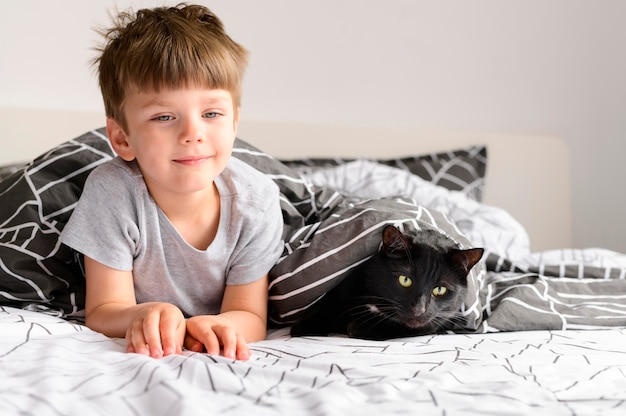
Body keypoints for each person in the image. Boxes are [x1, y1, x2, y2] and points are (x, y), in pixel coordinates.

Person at [60, 4, 284, 361]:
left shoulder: (256, 201)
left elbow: (251, 316)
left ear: (235, 123)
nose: (192, 133)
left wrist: (215, 327)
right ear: (122, 139)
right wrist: (141, 314)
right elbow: (103, 310)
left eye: (212, 114)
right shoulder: (113, 192)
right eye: (164, 116)